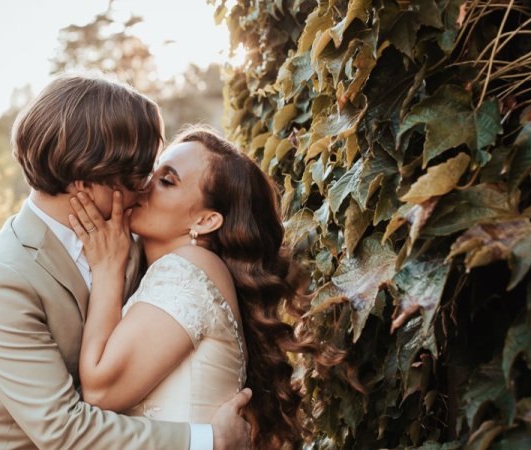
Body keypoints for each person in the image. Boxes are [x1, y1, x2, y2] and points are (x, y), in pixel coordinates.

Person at [0, 75, 252, 450]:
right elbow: (62, 429)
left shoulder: (135, 243)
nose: (144, 187)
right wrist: (208, 440)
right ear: (85, 181)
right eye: (136, 176)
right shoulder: (0, 277)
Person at [68, 126, 341, 449]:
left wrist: (107, 270)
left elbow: (100, 392)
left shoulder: (187, 269)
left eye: (166, 181)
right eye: (153, 172)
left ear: (205, 221)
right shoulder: (191, 271)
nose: (144, 184)